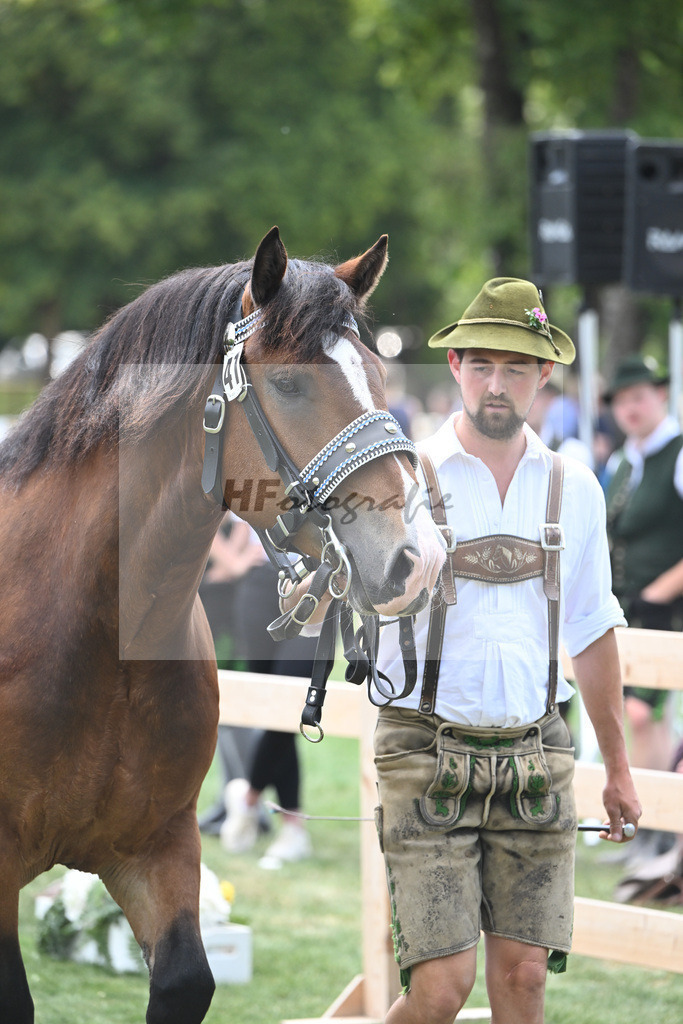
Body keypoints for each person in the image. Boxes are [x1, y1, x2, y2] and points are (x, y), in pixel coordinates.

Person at [370, 278, 641, 1024]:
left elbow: (592, 630)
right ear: (454, 365)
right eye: (483, 365)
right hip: (425, 751)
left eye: (516, 368)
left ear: (543, 375)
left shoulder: (575, 487)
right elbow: (364, 601)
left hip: (535, 755)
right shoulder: (402, 479)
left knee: (524, 978)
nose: (497, 384)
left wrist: (618, 768)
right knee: (440, 989)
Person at [603, 354, 683, 862]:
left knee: (641, 712)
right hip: (626, 608)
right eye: (620, 401)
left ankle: (660, 831)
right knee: (630, 715)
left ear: (661, 396)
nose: (629, 408)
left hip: (666, 610)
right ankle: (650, 828)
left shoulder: (678, 453)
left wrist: (661, 592)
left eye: (638, 397)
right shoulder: (622, 460)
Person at [219, 533, 318, 868]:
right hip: (261, 583)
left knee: (291, 701)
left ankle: (248, 799)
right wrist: (232, 561)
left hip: (320, 583)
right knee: (273, 709)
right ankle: (293, 827)